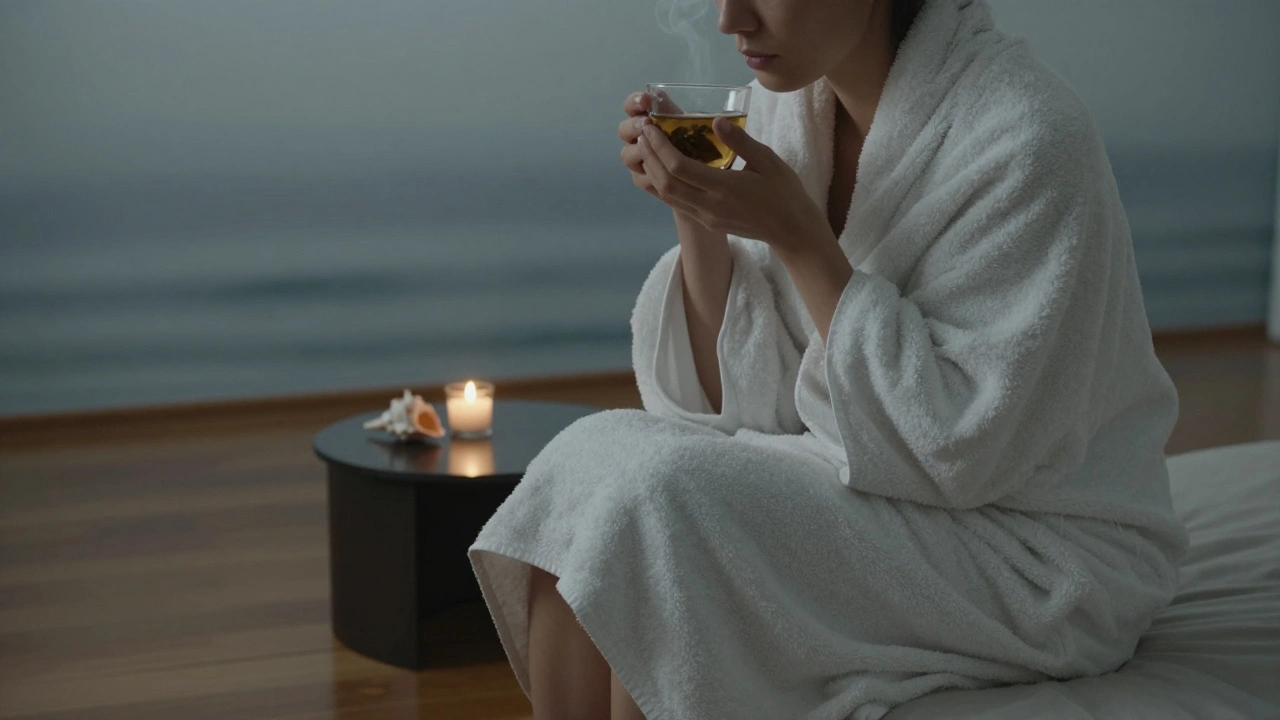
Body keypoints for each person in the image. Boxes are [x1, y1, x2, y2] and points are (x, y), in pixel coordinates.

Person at [468, 0, 1189, 718]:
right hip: (878, 481)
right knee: (587, 457)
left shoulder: (1028, 137)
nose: (730, 20)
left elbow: (961, 447)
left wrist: (800, 236)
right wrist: (700, 215)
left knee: (662, 504)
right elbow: (744, 402)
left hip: (1033, 550)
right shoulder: (788, 114)